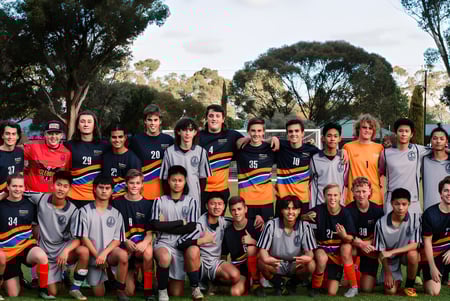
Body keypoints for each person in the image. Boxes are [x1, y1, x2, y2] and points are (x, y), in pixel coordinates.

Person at [24, 171, 89, 300]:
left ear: (69, 189)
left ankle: (75, 289)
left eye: (65, 186)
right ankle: (62, 274)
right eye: (59, 185)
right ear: (52, 185)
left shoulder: (74, 211)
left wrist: (66, 250)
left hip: (62, 251)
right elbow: (18, 192)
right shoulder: (41, 198)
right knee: (53, 293)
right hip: (46, 253)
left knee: (84, 251)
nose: (61, 189)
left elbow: (78, 238)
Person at [177, 192, 246, 296]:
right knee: (192, 250)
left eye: (220, 204)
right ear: (206, 206)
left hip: (214, 263)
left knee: (235, 276)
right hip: (200, 263)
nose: (216, 207)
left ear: (223, 207)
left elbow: (240, 220)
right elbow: (180, 243)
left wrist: (256, 218)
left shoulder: (224, 221)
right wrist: (202, 240)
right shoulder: (199, 224)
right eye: (213, 203)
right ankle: (195, 287)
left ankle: (214, 285)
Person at [149, 165, 201, 301]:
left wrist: (165, 226)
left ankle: (195, 289)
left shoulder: (192, 202)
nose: (177, 183)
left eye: (180, 180)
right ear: (168, 181)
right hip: (163, 242)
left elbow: (191, 227)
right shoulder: (159, 201)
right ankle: (162, 291)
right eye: (174, 180)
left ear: (185, 182)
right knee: (164, 258)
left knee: (177, 293)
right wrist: (179, 222)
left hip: (181, 244)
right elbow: (155, 225)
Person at [75, 175, 129, 301]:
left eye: (107, 188)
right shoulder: (84, 211)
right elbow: (83, 237)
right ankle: (108, 278)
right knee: (99, 294)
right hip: (94, 258)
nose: (104, 191)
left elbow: (117, 239)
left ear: (111, 191)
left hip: (109, 255)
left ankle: (120, 290)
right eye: (101, 188)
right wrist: (98, 256)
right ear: (94, 189)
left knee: (123, 256)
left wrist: (104, 254)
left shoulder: (116, 214)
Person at [0, 174, 51, 299]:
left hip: (25, 246)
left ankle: (43, 290)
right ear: (8, 187)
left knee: (41, 256)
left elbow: (35, 226)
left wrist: (37, 243)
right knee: (13, 294)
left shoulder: (30, 204)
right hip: (7, 252)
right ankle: (16, 278)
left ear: (24, 187)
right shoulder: (1, 204)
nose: (17, 189)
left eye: (20, 186)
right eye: (14, 186)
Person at [305, 184, 359, 297]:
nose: (332, 198)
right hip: (323, 250)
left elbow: (351, 238)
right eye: (329, 195)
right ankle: (315, 288)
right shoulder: (319, 210)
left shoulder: (345, 213)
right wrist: (306, 216)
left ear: (340, 196)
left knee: (331, 292)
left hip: (336, 254)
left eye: (335, 195)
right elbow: (301, 216)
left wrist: (344, 236)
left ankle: (354, 287)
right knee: (320, 257)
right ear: (324, 196)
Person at [257, 195, 317, 296]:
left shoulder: (305, 226)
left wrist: (307, 257)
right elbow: (262, 250)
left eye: (294, 208)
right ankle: (278, 283)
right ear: (281, 210)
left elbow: (310, 253)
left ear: (299, 211)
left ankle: (292, 284)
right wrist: (266, 259)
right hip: (277, 262)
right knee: (261, 261)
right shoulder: (271, 224)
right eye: (287, 208)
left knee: (311, 264)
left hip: (295, 263)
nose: (290, 212)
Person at [112, 169, 154, 299]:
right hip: (124, 245)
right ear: (126, 184)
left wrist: (144, 243)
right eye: (131, 183)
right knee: (129, 292)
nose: (134, 186)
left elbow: (150, 232)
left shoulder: (149, 204)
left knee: (148, 253)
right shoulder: (117, 203)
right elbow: (113, 229)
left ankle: (148, 290)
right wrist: (125, 240)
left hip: (141, 245)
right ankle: (132, 271)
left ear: (142, 185)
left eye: (137, 183)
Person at [374, 188, 421, 296]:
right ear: (391, 203)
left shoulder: (415, 220)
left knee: (413, 255)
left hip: (405, 254)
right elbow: (381, 252)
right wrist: (388, 273)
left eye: (404, 204)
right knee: (390, 291)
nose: (400, 208)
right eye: (397, 204)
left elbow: (415, 244)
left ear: (409, 204)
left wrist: (392, 251)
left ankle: (409, 286)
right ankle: (397, 281)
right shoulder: (380, 223)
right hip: (390, 260)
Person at [379, 118, 430, 215]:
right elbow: (382, 171)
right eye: (400, 131)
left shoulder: (418, 150)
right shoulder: (385, 153)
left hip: (413, 202)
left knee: (414, 230)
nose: (403, 134)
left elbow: (437, 148)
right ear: (395, 133)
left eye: (407, 131)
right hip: (392, 202)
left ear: (411, 134)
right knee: (391, 229)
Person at [199, 104, 243, 214]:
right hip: (201, 190)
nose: (214, 118)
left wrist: (272, 139)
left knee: (218, 225)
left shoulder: (232, 136)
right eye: (211, 116)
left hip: (221, 190)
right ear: (206, 118)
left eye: (218, 116)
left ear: (223, 119)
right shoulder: (197, 137)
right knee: (200, 225)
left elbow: (251, 142)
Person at [160, 117, 211, 211]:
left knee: (192, 224)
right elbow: (164, 179)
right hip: (174, 198)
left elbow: (203, 179)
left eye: (191, 130)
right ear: (178, 132)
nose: (187, 133)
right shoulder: (169, 152)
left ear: (195, 132)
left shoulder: (201, 152)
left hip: (194, 197)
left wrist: (197, 194)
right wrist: (170, 197)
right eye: (184, 130)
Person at [129, 104, 174, 201]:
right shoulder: (136, 140)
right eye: (149, 120)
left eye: (155, 120)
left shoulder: (169, 140)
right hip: (142, 192)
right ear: (145, 121)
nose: (152, 123)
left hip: (164, 193)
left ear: (160, 121)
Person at [346, 177, 384, 292]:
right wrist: (361, 244)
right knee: (347, 249)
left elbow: (380, 236)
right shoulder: (348, 210)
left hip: (370, 249)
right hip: (356, 247)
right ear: (352, 191)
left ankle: (367, 275)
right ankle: (351, 275)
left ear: (370, 192)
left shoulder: (377, 210)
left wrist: (368, 243)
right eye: (357, 191)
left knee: (367, 289)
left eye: (364, 191)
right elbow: (348, 236)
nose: (361, 195)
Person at [65, 110, 110, 208]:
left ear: (94, 126)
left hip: (96, 197)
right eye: (82, 121)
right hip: (73, 197)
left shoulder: (105, 146)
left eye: (89, 122)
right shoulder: (68, 146)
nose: (86, 125)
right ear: (77, 125)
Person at [236, 118, 275, 226]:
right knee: (247, 236)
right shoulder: (240, 149)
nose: (256, 134)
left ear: (263, 132)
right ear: (248, 132)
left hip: (266, 202)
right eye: (253, 131)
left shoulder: (271, 149)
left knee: (266, 237)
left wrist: (274, 138)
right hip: (246, 202)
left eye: (259, 131)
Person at [275, 119, 319, 213]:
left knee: (302, 227)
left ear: (302, 133)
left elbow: (328, 155)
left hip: (302, 200)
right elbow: (260, 144)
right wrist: (272, 139)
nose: (293, 134)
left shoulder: (311, 150)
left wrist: (342, 152)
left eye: (297, 131)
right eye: (290, 131)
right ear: (287, 134)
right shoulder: (281, 146)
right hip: (283, 199)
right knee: (279, 227)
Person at [222, 196, 262, 296]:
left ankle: (257, 283)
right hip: (240, 269)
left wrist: (252, 241)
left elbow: (266, 249)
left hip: (257, 267)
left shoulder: (256, 224)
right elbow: (223, 256)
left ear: (245, 209)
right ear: (230, 212)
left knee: (251, 249)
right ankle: (245, 284)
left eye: (239, 209)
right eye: (233, 210)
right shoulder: (228, 232)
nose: (236, 213)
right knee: (234, 292)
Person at [344, 114, 384, 207]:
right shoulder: (348, 147)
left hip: (375, 198)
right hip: (354, 198)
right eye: (364, 127)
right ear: (358, 129)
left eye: (370, 128)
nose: (367, 130)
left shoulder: (379, 148)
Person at [421, 176, 450, 296]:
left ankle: (445, 277)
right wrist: (432, 267)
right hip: (434, 254)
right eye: (446, 190)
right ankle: (428, 275)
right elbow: (427, 242)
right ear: (440, 194)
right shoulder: (430, 214)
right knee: (433, 291)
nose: (449, 194)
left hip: (448, 251)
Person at [24, 120, 71, 192]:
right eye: (50, 133)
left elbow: (65, 175)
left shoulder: (66, 153)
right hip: (32, 193)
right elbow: (15, 154)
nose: (53, 136)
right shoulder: (33, 146)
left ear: (61, 135)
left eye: (57, 133)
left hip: (52, 195)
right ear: (45, 135)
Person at [310, 122, 348, 208]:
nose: (332, 139)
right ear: (323, 138)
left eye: (335, 136)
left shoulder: (345, 159)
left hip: (338, 208)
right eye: (329, 136)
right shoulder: (314, 159)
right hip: (319, 207)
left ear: (340, 139)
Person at [102, 123, 141, 198]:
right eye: (114, 137)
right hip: (107, 200)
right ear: (109, 138)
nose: (117, 140)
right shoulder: (105, 156)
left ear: (125, 137)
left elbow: (136, 186)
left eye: (120, 137)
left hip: (124, 201)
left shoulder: (132, 159)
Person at [423, 124, 450, 211]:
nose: (438, 141)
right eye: (435, 138)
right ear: (430, 140)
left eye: (442, 139)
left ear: (446, 142)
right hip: (429, 211)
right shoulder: (424, 160)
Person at [0, 121, 24, 196]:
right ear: (2, 135)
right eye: (7, 134)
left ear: (18, 136)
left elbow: (20, 174)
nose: (10, 137)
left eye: (13, 134)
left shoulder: (20, 152)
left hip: (14, 197)